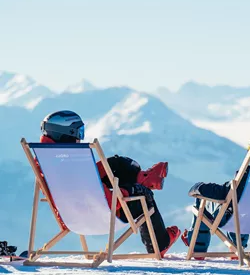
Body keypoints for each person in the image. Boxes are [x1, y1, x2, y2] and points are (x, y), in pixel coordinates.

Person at [40, 110, 180, 256]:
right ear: (66, 133)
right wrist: (129, 191)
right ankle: (160, 242)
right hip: (99, 216)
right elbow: (108, 202)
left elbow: (74, 188)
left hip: (70, 215)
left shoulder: (47, 159)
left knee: (116, 164)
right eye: (78, 133)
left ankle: (145, 176)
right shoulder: (75, 160)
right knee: (144, 195)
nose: (79, 139)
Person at [181, 130, 250, 259]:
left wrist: (201, 187)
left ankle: (197, 247)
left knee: (209, 203)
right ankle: (237, 247)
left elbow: (227, 193)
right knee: (241, 207)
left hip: (242, 218)